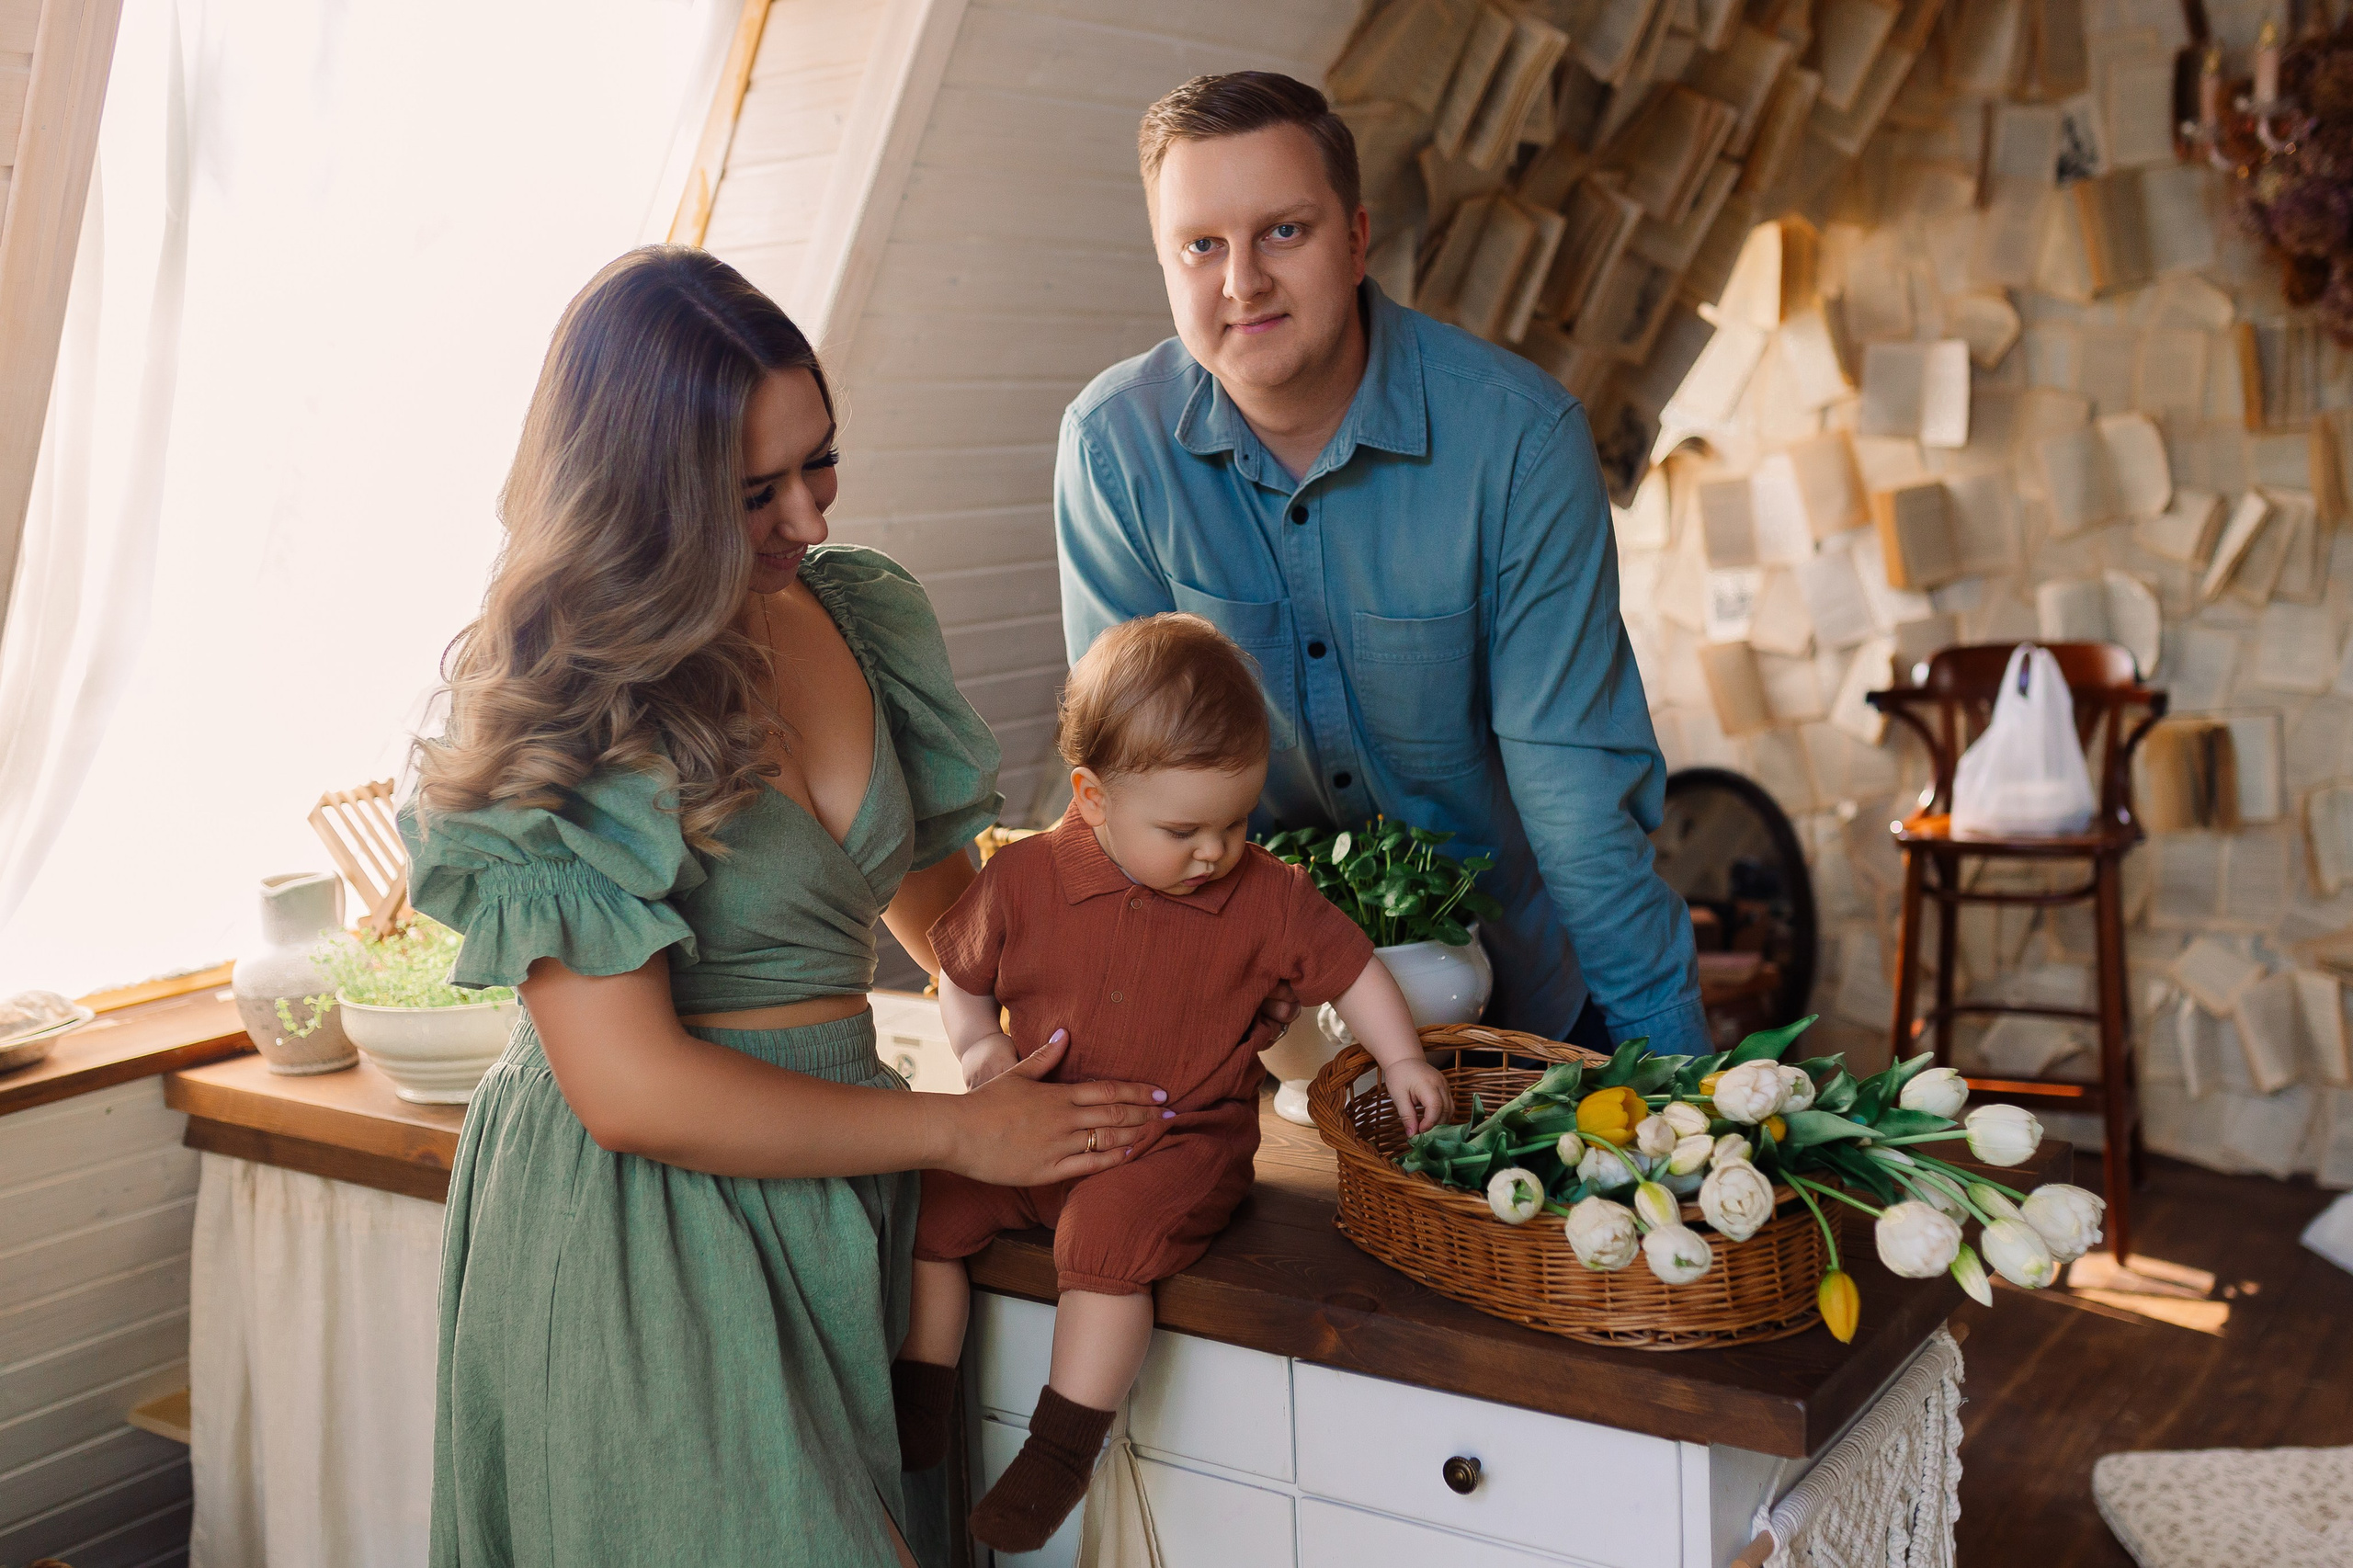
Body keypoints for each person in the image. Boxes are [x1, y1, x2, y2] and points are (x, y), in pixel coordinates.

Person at [398, 247, 1170, 1568]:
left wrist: (1059, 1020)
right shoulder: (564, 692)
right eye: (754, 490)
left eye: (821, 462)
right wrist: (964, 1132)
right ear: (641, 493)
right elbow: (633, 1089)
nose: (808, 516)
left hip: (836, 1191)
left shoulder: (854, 611)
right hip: (640, 1220)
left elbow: (945, 903)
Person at [1055, 72, 1707, 1056]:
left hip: (1520, 1011)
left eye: (1284, 231)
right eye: (1201, 245)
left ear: (1356, 240)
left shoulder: (1521, 442)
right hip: (1263, 1013)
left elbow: (1574, 798)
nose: (1242, 283)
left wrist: (1682, 1078)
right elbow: (1134, 785)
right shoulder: (1113, 450)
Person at [891, 612, 1451, 1551]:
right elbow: (961, 973)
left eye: (1237, 821)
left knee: (1105, 1236)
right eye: (1184, 828)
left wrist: (1400, 1057)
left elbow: (1351, 967)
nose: (1215, 849)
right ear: (1093, 796)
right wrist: (981, 1050)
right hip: (1038, 1127)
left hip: (1173, 1140)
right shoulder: (1026, 875)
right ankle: (919, 1395)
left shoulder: (1261, 893)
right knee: (933, 1206)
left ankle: (1062, 1445)